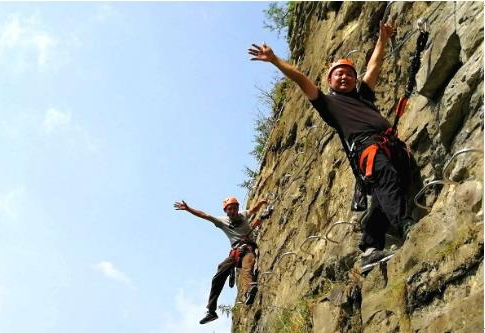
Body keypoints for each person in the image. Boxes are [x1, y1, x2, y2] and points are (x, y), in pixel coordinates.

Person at [248, 20, 414, 270]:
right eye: (339, 73)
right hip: (368, 149)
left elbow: (374, 65)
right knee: (387, 179)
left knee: (383, 196)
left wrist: (383, 38)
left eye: (349, 73)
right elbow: (301, 79)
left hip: (392, 146)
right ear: (330, 81)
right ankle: (407, 227)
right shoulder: (327, 103)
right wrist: (274, 60)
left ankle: (370, 247)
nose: (345, 76)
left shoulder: (363, 96)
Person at [174, 197, 268, 324]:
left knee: (248, 265)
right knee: (218, 275)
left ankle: (249, 290)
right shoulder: (222, 221)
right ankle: (211, 311)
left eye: (235, 208)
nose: (233, 211)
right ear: (226, 211)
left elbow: (253, 210)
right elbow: (205, 215)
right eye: (230, 209)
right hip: (235, 252)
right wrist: (188, 209)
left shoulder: (243, 215)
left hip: (248, 247)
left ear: (237, 208)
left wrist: (261, 203)